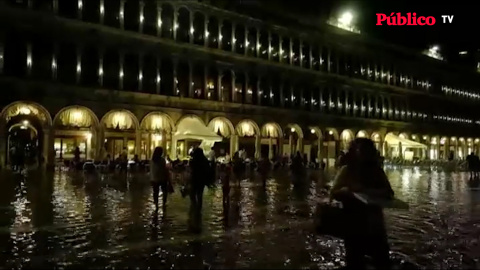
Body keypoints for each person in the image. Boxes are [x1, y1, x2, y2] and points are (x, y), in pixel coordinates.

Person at [330, 138, 394, 270]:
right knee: (355, 259)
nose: (364, 154)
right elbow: (334, 192)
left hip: (374, 224)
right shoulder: (347, 170)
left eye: (367, 150)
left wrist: (368, 191)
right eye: (361, 150)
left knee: (380, 259)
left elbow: (389, 193)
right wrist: (347, 191)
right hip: (354, 223)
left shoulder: (377, 171)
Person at [189, 148, 210, 219]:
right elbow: (208, 170)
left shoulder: (194, 160)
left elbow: (191, 169)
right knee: (199, 194)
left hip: (195, 179)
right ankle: (198, 208)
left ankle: (194, 206)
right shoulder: (204, 160)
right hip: (201, 180)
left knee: (193, 193)